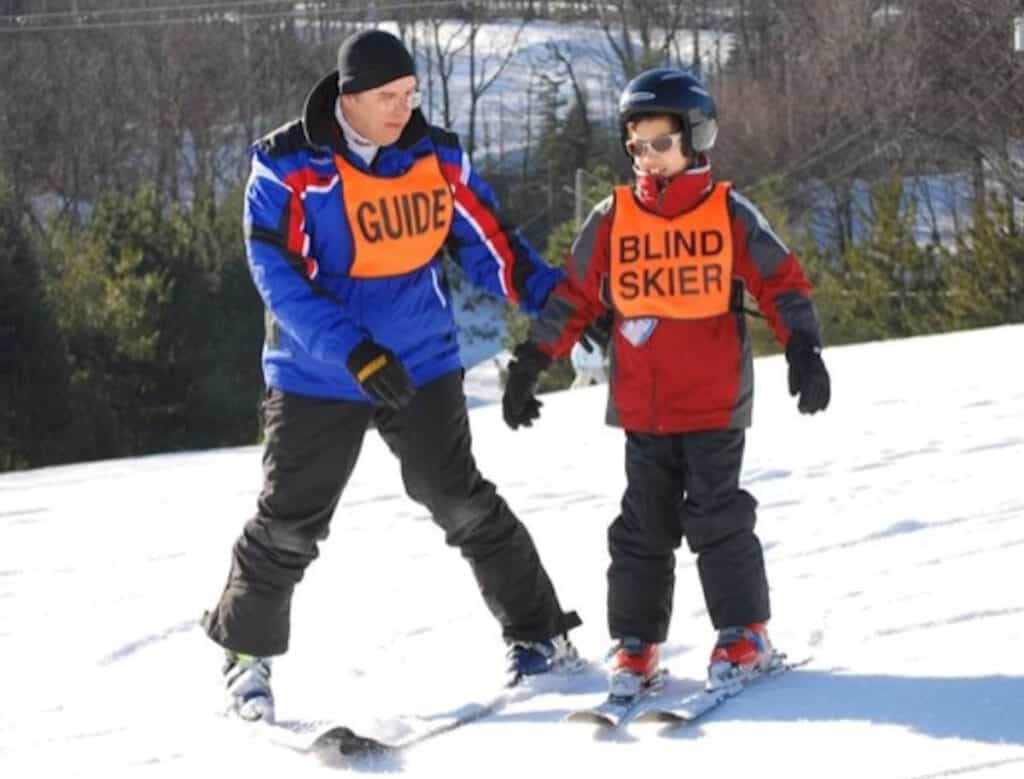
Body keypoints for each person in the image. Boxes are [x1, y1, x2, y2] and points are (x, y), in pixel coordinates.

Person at [202, 29, 581, 723]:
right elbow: (276, 276)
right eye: (387, 97)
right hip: (320, 366)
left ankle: (540, 633)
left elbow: (490, 243)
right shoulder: (288, 166)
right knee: (290, 519)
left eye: (410, 95)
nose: (403, 109)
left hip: (420, 358)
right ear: (349, 97)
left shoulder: (434, 156)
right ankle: (246, 660)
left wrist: (553, 300)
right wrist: (354, 352)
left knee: (458, 497)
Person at [501, 68, 830, 699]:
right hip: (643, 408)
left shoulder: (727, 213)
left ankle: (743, 632)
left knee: (717, 517)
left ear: (695, 137)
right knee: (641, 528)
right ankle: (636, 644)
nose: (647, 158)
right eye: (637, 145)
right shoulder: (614, 216)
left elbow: (781, 281)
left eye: (661, 143)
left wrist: (804, 349)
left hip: (712, 403)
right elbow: (572, 294)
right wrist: (532, 360)